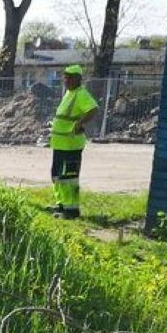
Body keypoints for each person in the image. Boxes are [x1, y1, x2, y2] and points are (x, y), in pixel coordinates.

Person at [48, 64, 98, 219]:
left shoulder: (80, 94)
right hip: (60, 144)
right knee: (56, 175)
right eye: (65, 77)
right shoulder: (69, 93)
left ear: (78, 79)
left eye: (70, 77)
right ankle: (61, 204)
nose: (66, 80)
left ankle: (71, 211)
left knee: (68, 177)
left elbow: (93, 109)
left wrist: (79, 124)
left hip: (71, 145)